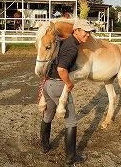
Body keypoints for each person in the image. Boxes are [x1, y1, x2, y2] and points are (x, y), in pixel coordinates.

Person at [40, 19, 95, 166]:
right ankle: (71, 158)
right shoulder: (72, 48)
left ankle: (45, 146)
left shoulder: (63, 42)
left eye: (89, 32)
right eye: (85, 31)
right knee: (71, 121)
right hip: (58, 85)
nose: (88, 35)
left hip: (48, 85)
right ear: (76, 30)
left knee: (48, 115)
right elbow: (61, 69)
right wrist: (69, 84)